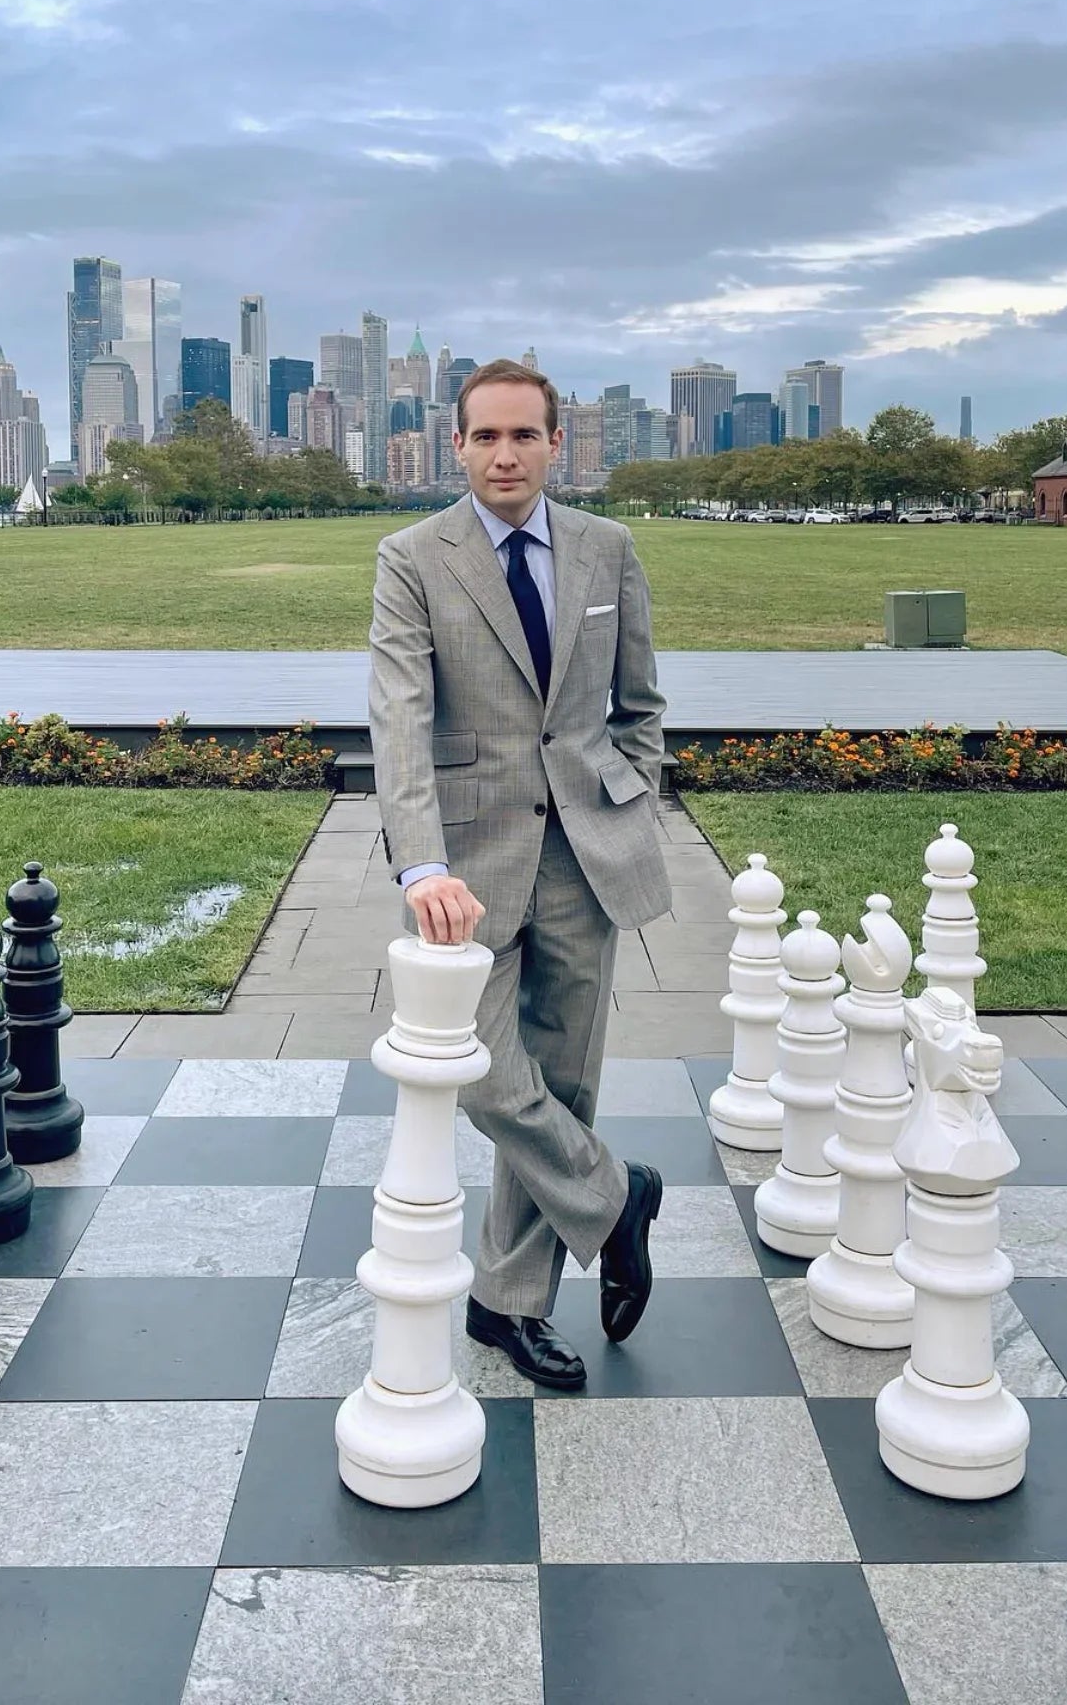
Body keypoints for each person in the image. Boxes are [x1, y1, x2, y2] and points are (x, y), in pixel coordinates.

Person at [367, 358, 671, 1389]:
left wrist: (628, 788)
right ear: (455, 446)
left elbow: (641, 703)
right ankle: (617, 1195)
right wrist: (420, 862)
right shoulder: (412, 557)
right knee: (488, 1071)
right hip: (470, 868)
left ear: (556, 443)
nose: (505, 454)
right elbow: (398, 719)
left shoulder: (609, 549)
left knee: (566, 1079)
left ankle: (509, 1303)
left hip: (590, 854)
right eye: (485, 436)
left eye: (524, 436)